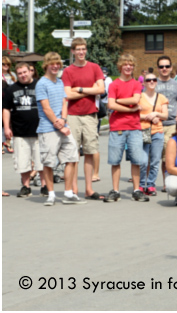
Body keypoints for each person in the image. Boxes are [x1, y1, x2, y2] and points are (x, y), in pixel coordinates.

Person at [35, 52, 84, 206]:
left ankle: (68, 193)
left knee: (71, 158)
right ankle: (50, 194)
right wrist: (58, 124)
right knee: (49, 162)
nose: (55, 66)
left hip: (63, 126)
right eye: (52, 63)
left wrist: (63, 120)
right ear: (46, 65)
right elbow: (46, 108)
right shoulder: (41, 84)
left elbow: (64, 103)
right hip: (48, 128)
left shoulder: (60, 82)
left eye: (58, 63)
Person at [61, 38, 105, 200]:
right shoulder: (68, 71)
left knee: (89, 151)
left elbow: (100, 89)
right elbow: (68, 94)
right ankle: (74, 189)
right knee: (73, 153)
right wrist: (90, 90)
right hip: (72, 115)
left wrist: (79, 89)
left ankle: (88, 189)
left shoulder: (94, 67)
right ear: (72, 51)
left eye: (83, 49)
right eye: (78, 49)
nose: (81, 52)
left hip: (90, 115)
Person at [105, 54, 148, 203]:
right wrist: (131, 109)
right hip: (117, 127)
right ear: (120, 66)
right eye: (125, 64)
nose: (128, 67)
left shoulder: (136, 84)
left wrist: (117, 100)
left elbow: (135, 99)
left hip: (134, 127)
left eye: (131, 65)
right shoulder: (113, 85)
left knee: (136, 160)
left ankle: (137, 190)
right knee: (115, 160)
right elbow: (111, 105)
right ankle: (115, 190)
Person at [2, 62, 45, 198]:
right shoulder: (11, 89)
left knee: (41, 160)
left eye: (25, 72)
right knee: (22, 161)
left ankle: (45, 186)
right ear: (17, 74)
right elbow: (6, 109)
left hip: (39, 130)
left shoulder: (40, 85)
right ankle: (26, 186)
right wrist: (7, 127)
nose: (23, 75)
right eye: (20, 73)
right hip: (19, 131)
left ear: (30, 71)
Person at [155, 55, 177, 192]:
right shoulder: (153, 83)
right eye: (161, 66)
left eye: (166, 66)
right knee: (153, 157)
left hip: (171, 125)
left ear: (171, 68)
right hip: (155, 125)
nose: (164, 69)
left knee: (167, 156)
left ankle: (167, 183)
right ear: (158, 68)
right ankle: (148, 184)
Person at [139, 72, 168, 196]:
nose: (151, 81)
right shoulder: (139, 97)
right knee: (143, 161)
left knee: (155, 161)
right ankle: (141, 184)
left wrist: (156, 115)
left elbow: (165, 115)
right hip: (143, 131)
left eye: (154, 80)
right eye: (148, 80)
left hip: (157, 132)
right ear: (144, 82)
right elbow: (134, 115)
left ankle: (150, 185)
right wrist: (147, 117)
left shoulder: (161, 97)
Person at [2, 56, 16, 154]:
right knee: (3, 123)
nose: (6, 66)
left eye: (8, 64)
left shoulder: (13, 75)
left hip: (12, 101)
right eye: (3, 64)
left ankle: (8, 142)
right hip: (2, 101)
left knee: (10, 123)